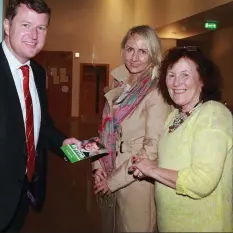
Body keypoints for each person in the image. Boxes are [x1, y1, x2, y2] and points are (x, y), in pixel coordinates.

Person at [0, 0, 80, 233]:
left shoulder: (38, 73)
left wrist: (66, 144)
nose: (34, 36)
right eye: (26, 25)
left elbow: (40, 127)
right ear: (6, 25)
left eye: (41, 28)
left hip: (22, 197)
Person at [131, 46, 233, 232]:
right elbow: (178, 162)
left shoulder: (213, 114)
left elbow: (201, 181)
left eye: (185, 75)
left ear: (202, 80)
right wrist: (150, 165)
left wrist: (153, 171)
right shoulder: (176, 115)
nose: (176, 82)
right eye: (171, 75)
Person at [91, 25, 171, 232]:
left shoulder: (156, 93)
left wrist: (113, 181)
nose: (134, 57)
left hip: (135, 183)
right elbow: (105, 131)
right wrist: (97, 167)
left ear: (153, 55)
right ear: (122, 51)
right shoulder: (120, 84)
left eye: (142, 51)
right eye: (130, 49)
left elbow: (152, 150)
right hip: (110, 173)